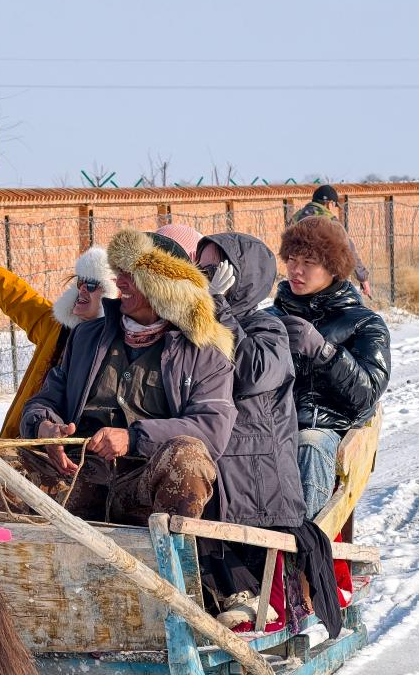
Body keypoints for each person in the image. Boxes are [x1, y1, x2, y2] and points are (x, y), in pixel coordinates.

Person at [19, 228, 236, 523]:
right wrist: (44, 428)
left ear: (163, 284)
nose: (119, 282)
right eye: (120, 272)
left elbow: (212, 429)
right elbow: (45, 401)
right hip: (78, 475)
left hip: (146, 486)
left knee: (189, 458)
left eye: (131, 275)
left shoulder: (202, 350)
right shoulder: (87, 336)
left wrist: (133, 439)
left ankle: (172, 566)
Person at [196, 232, 306, 628]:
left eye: (213, 270)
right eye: (199, 268)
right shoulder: (200, 324)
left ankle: (251, 600)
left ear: (239, 277)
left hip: (257, 473)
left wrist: (218, 307)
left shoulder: (269, 327)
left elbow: (251, 371)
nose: (203, 277)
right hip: (219, 461)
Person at [0, 195, 117, 440]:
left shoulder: (118, 346)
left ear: (110, 294)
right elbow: (14, 294)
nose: (82, 290)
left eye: (93, 285)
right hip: (21, 442)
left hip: (76, 453)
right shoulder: (56, 327)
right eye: (80, 282)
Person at [268, 217, 391, 520]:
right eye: (292, 260)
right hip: (268, 428)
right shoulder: (270, 318)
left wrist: (325, 353)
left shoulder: (364, 323)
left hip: (324, 430)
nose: (296, 270)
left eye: (308, 262)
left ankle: (301, 551)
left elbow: (366, 394)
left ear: (334, 267)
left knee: (308, 444)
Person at [289, 185, 372, 298]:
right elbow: (349, 252)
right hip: (325, 282)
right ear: (328, 203)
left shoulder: (295, 219)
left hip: (299, 279)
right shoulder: (331, 223)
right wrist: (363, 279)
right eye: (333, 205)